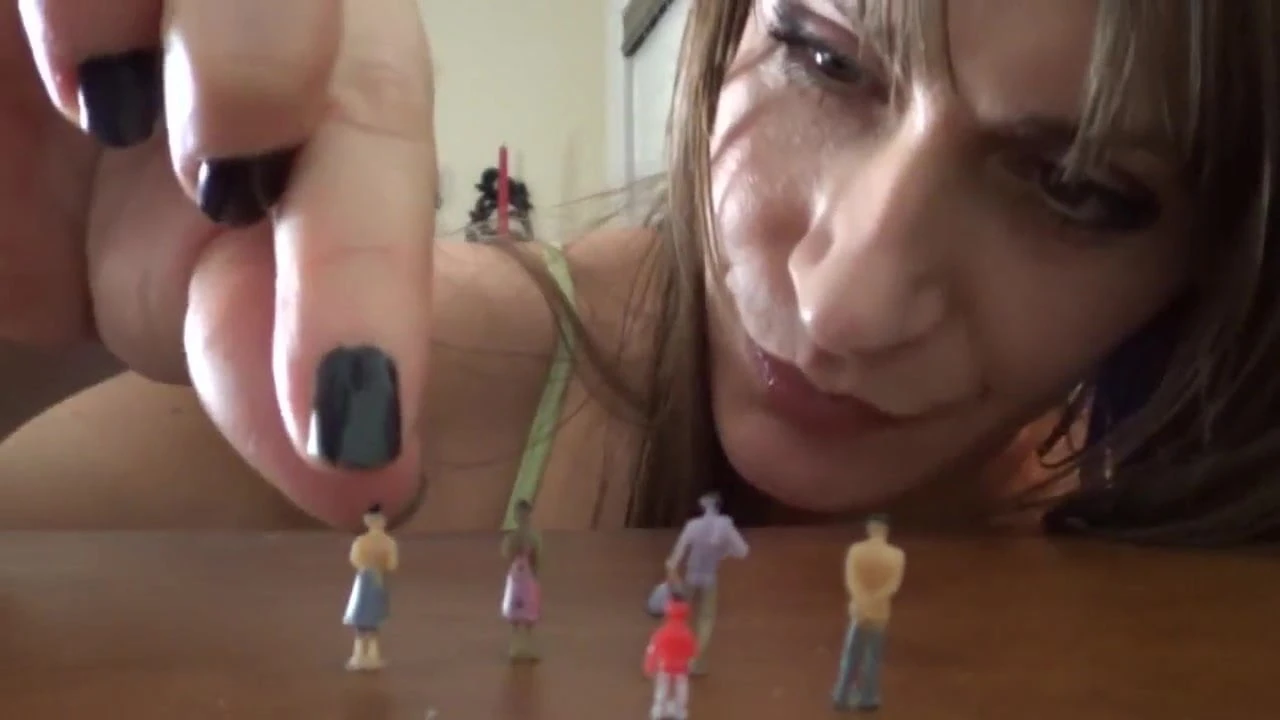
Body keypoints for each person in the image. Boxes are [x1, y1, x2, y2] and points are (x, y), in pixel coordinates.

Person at [0, 1, 1277, 547]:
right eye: (823, 60)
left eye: (1073, 187)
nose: (842, 301)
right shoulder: (417, 394)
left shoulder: (1183, 539)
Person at [663, 491, 749, 673]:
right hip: (709, 576)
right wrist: (724, 552)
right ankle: (694, 659)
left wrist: (672, 568)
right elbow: (742, 551)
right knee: (706, 618)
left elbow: (678, 553)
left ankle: (674, 653)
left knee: (680, 615)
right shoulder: (725, 527)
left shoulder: (693, 525)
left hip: (691, 575)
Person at [831, 514, 904, 711]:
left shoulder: (856, 550)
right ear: (886, 530)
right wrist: (875, 599)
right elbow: (893, 585)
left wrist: (862, 600)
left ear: (869, 528)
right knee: (873, 657)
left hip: (859, 610)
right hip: (879, 612)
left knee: (851, 655)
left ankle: (842, 694)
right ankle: (868, 697)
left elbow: (851, 580)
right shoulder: (896, 555)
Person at [344, 504, 399, 671]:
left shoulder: (361, 541)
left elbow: (354, 559)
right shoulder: (388, 543)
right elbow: (392, 564)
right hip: (378, 580)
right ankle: (372, 656)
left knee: (361, 618)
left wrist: (365, 566)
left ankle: (359, 655)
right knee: (374, 619)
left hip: (363, 579)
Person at [500, 498, 543, 661]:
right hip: (518, 577)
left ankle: (527, 647)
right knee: (517, 615)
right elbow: (507, 554)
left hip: (526, 576)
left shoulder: (532, 537)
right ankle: (515, 647)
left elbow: (537, 557)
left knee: (529, 613)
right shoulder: (515, 537)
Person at [643, 594, 699, 720]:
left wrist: (650, 666)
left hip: (664, 666)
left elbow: (653, 650)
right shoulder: (687, 634)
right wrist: (690, 663)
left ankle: (658, 712)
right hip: (681, 668)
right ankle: (679, 713)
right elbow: (693, 651)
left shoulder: (662, 632)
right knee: (681, 692)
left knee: (661, 690)